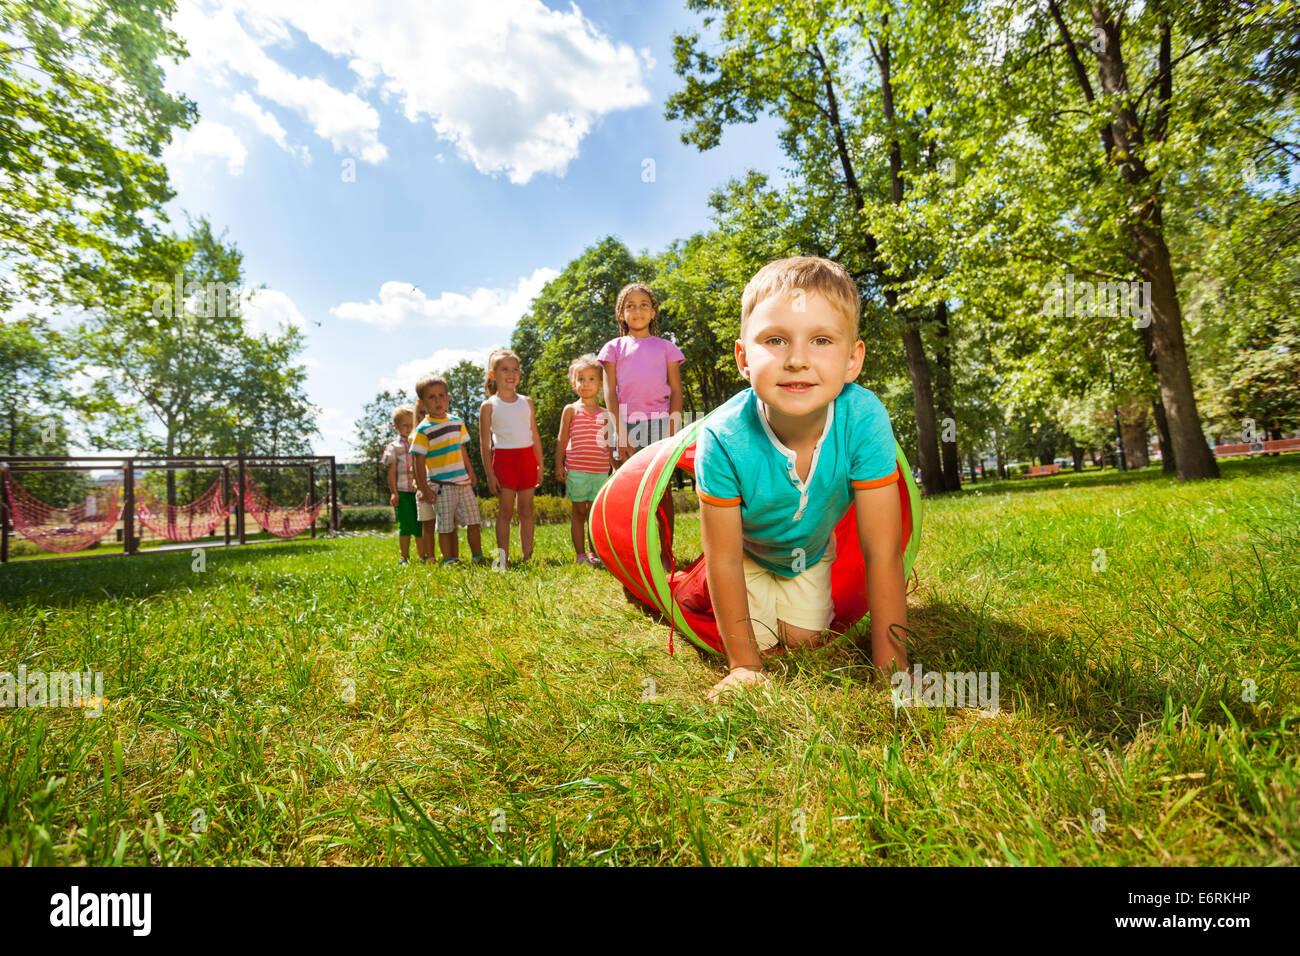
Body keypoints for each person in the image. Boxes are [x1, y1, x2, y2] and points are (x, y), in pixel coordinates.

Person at [695, 256, 910, 702]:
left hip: (808, 554)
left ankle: (784, 597)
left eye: (821, 340)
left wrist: (893, 667)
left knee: (802, 642)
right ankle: (690, 583)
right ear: (743, 359)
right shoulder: (722, 436)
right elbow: (726, 559)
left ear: (852, 360)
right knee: (762, 644)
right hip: (747, 553)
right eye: (775, 340)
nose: (797, 360)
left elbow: (881, 547)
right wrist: (744, 666)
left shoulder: (864, 417)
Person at [598, 283, 684, 568]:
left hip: (660, 426)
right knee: (629, 494)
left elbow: (676, 392)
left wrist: (672, 431)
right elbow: (610, 393)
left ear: (654, 310)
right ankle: (632, 554)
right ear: (621, 314)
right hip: (625, 427)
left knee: (662, 493)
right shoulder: (613, 348)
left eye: (644, 304)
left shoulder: (667, 349)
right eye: (630, 305)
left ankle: (666, 552)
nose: (637, 310)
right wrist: (620, 431)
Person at [410, 375, 485, 566]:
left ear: (448, 398)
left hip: (463, 483)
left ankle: (478, 556)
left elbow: (461, 449)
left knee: (473, 521)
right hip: (441, 486)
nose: (438, 401)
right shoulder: (423, 430)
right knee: (445, 526)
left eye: (441, 396)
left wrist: (471, 472)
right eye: (432, 397)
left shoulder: (457, 422)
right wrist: (424, 487)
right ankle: (449, 560)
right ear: (422, 403)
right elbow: (418, 462)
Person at [479, 348, 543, 567]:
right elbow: (485, 445)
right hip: (504, 460)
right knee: (505, 511)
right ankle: (502, 559)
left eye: (515, 369)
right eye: (505, 369)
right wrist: (489, 474)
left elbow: (534, 434)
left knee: (526, 509)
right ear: (493, 374)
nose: (511, 373)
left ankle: (528, 557)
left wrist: (540, 465)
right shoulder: (488, 406)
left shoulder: (527, 402)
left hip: (527, 458)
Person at [555, 353, 613, 566]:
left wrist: (614, 469)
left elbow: (609, 443)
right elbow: (562, 439)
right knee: (579, 512)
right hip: (576, 470)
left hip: (599, 470)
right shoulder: (570, 410)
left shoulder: (606, 413)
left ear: (600, 384)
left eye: (591, 379)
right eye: (581, 379)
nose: (586, 384)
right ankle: (580, 555)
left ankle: (594, 552)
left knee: (595, 514)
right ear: (574, 382)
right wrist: (558, 465)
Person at [382, 404, 424, 563]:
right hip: (403, 492)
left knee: (420, 525)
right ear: (396, 426)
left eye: (411, 425)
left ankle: (422, 556)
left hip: (419, 492)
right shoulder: (394, 447)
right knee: (406, 525)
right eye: (404, 425)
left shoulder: (419, 442)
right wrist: (394, 492)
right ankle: (404, 556)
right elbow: (391, 471)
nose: (408, 428)